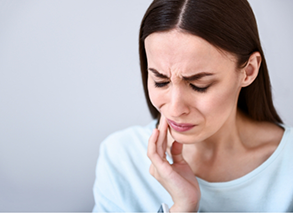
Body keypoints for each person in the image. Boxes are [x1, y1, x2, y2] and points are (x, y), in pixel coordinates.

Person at [93, 0, 293, 212]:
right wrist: (183, 207)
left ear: (249, 71)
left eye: (199, 85)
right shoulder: (121, 158)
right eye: (160, 82)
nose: (175, 109)